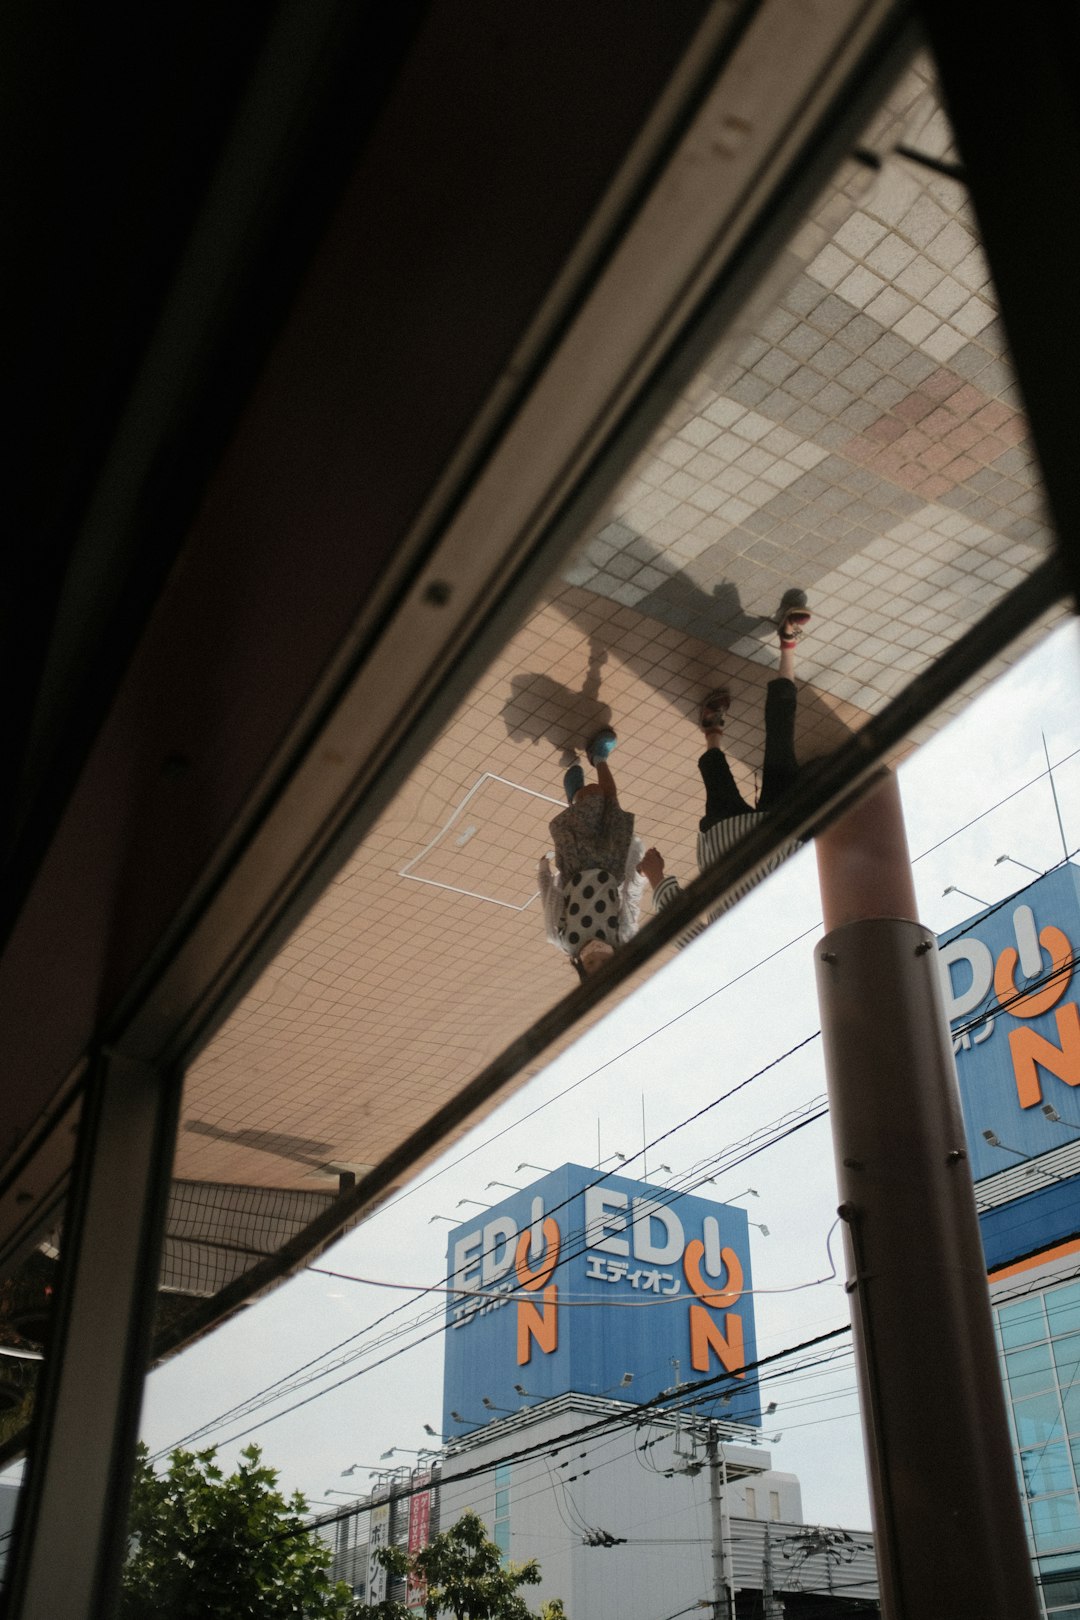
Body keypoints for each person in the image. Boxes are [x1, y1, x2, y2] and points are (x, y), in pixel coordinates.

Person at [638, 590, 811, 936]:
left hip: (725, 845)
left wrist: (656, 878)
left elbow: (680, 931)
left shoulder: (723, 962)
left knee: (717, 768)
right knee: (780, 740)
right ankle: (788, 644)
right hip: (781, 835)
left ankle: (712, 729)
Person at [538, 728, 646, 978]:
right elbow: (630, 899)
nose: (596, 956)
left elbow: (550, 903)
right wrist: (639, 874)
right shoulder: (623, 935)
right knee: (610, 801)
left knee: (592, 796)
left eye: (590, 964)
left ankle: (576, 795)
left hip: (577, 863)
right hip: (611, 862)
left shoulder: (563, 940)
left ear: (581, 967)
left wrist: (543, 873)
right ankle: (598, 757)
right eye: (604, 962)